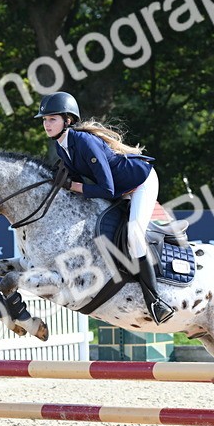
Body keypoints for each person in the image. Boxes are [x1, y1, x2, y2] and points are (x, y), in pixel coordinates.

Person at [35, 91, 173, 324]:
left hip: (140, 183)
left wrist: (73, 185)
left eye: (52, 119)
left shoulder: (84, 142)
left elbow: (105, 189)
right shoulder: (61, 147)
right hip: (119, 189)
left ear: (68, 120)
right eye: (44, 120)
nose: (46, 124)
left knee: (134, 234)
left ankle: (156, 301)